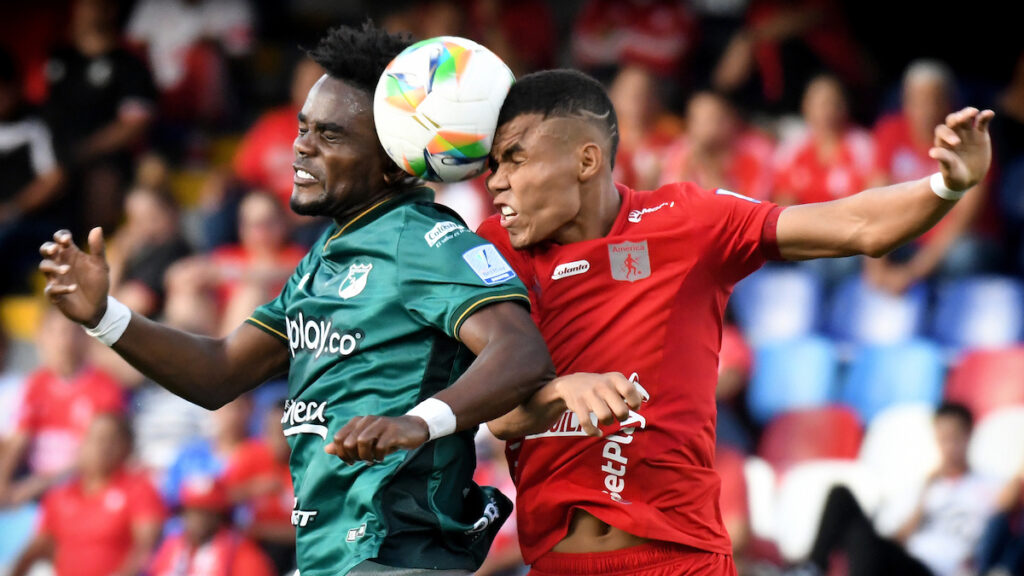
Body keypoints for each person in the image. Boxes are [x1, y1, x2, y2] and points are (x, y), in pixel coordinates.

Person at [38, 23, 627, 576]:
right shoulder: (322, 260)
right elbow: (218, 373)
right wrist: (103, 316)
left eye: (330, 135)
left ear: (394, 165)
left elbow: (521, 353)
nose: (301, 149)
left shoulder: (422, 239)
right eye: (302, 128)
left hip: (394, 550)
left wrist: (416, 423)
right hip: (333, 556)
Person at [476, 68, 993, 575]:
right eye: (493, 164)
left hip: (681, 561)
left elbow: (856, 225)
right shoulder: (494, 251)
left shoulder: (687, 222)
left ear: (585, 160)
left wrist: (947, 185)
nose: (496, 182)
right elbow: (498, 415)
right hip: (557, 565)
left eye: (514, 160)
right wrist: (563, 392)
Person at [793, 403, 1001, 576]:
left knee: (869, 544)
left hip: (940, 570)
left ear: (969, 435)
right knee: (842, 497)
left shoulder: (990, 485)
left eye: (955, 438)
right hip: (908, 562)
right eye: (943, 439)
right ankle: (812, 568)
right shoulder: (922, 486)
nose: (949, 447)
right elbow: (898, 539)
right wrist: (924, 496)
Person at [865, 59, 994, 294]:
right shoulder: (890, 130)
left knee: (962, 256)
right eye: (916, 99)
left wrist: (912, 273)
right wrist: (876, 268)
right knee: (852, 248)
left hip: (958, 241)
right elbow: (876, 203)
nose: (923, 108)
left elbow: (961, 221)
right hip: (909, 235)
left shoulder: (970, 139)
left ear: (948, 102)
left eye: (932, 99)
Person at [9, 412, 166, 576]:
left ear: (127, 447)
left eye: (110, 440)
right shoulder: (60, 496)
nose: (101, 447)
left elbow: (146, 547)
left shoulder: (140, 490)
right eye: (94, 438)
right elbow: (35, 549)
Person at [0, 308, 125, 507]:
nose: (63, 341)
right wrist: (3, 481)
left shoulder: (105, 388)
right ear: (40, 337)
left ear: (84, 337)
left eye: (70, 332)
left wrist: (37, 486)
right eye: (54, 332)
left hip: (79, 493)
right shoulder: (35, 384)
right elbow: (20, 438)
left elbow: (97, 455)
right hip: (33, 490)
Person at [149, 477, 277, 576]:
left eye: (206, 512)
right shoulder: (171, 546)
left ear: (220, 515)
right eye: (192, 510)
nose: (198, 519)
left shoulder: (240, 551)